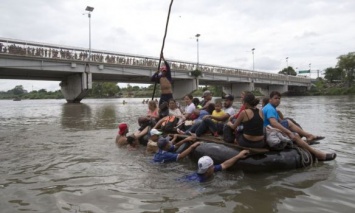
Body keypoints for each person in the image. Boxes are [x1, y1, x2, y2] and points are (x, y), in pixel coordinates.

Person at [262, 91, 336, 161]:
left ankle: (308, 137)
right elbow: (274, 123)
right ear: (270, 100)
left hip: (271, 130)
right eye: (275, 98)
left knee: (288, 122)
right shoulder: (269, 109)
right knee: (295, 136)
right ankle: (319, 154)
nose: (278, 100)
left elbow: (280, 121)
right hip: (270, 132)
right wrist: (288, 132)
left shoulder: (271, 108)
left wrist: (287, 130)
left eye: (279, 98)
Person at [184, 150, 249, 182]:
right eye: (212, 166)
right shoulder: (198, 180)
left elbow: (224, 164)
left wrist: (238, 156)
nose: (214, 166)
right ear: (208, 169)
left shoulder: (209, 170)